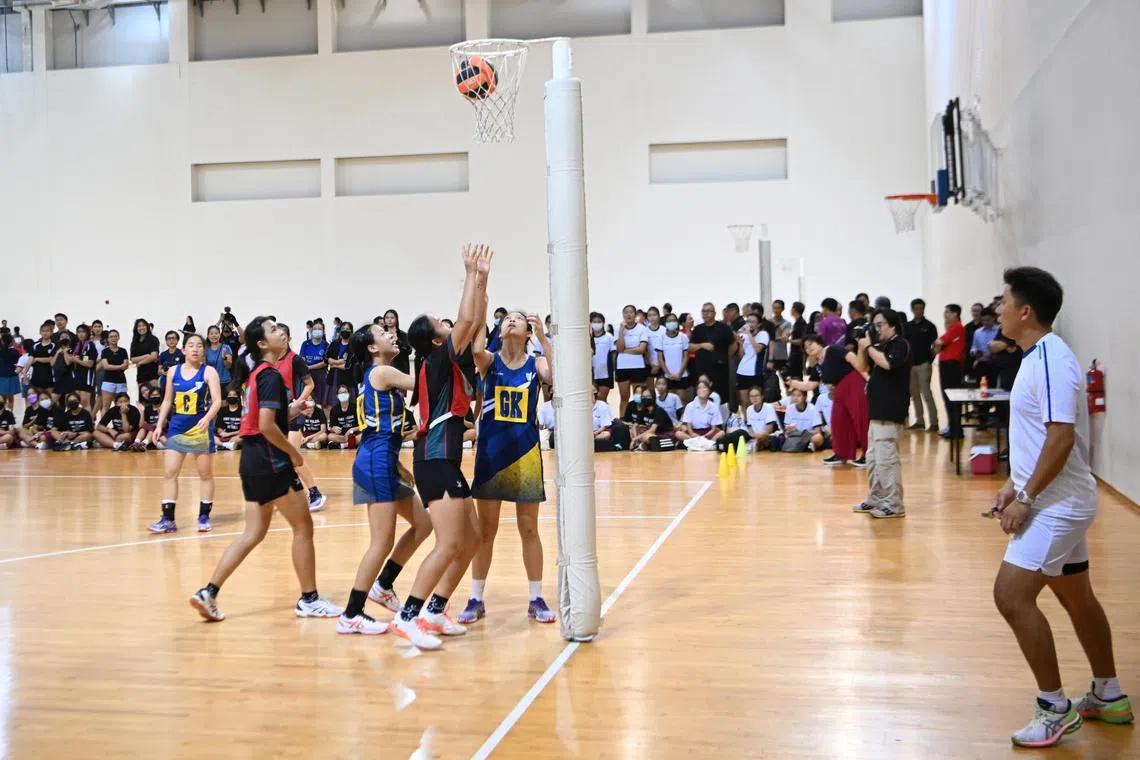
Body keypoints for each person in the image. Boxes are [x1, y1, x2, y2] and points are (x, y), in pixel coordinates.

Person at [988, 266, 1131, 747]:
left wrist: (1027, 498)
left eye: (1004, 301)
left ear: (1026, 311)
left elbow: (1062, 436)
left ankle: (1054, 708)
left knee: (1011, 595)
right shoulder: (1035, 358)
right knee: (1076, 597)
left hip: (1058, 506)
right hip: (1055, 497)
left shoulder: (1052, 360)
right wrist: (1013, 482)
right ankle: (1108, 695)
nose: (998, 308)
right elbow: (1036, 439)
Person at [189, 316, 343, 623]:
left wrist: (295, 409)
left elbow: (267, 417)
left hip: (252, 460)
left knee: (253, 533)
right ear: (262, 344)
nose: (281, 332)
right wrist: (294, 455)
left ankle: (209, 592)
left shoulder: (258, 373)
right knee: (303, 527)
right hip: (272, 458)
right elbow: (266, 426)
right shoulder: (270, 374)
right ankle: (310, 600)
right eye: (273, 329)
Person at [387, 244, 492, 650]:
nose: (449, 324)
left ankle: (434, 610)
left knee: (472, 539)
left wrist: (483, 280)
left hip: (445, 459)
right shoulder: (435, 362)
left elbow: (475, 320)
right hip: (433, 460)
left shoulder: (450, 360)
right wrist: (468, 273)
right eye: (439, 323)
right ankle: (407, 615)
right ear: (434, 341)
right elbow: (467, 319)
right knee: (448, 543)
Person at [457, 309, 556, 625]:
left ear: (527, 331)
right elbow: (474, 350)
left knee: (528, 528)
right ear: (498, 329)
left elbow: (557, 375)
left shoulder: (535, 363)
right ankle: (475, 598)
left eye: (518, 318)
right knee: (486, 531)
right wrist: (482, 296)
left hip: (526, 454)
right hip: (490, 454)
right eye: (506, 318)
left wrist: (543, 337)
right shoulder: (489, 361)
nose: (511, 320)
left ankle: (536, 598)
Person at [337, 324, 432, 635]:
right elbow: (422, 385)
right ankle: (352, 612)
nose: (392, 333)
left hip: (384, 458)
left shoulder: (380, 373)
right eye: (382, 332)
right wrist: (427, 347)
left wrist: (399, 465)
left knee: (424, 524)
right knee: (381, 541)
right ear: (372, 349)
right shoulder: (382, 372)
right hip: (374, 460)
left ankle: (385, 584)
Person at [148, 334, 223, 533]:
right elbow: (166, 401)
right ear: (184, 350)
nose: (195, 349)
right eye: (191, 345)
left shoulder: (209, 372)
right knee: (170, 473)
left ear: (203, 351)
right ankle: (167, 519)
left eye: (199, 346)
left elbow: (217, 401)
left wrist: (207, 419)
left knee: (205, 474)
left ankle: (204, 515)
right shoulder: (173, 371)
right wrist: (158, 425)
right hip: (177, 427)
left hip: (199, 428)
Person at [852, 309, 911, 518]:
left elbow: (887, 363)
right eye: (873, 325)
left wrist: (868, 346)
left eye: (880, 325)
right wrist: (862, 347)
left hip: (890, 412)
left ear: (892, 325)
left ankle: (894, 504)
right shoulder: (878, 346)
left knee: (887, 460)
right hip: (876, 413)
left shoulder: (900, 344)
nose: (876, 329)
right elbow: (861, 366)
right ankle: (876, 498)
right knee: (874, 459)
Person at [276, 324, 327, 511]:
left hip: (293, 414)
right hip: (276, 414)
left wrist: (298, 401)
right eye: (276, 334)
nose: (279, 338)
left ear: (288, 339)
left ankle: (315, 493)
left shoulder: (295, 360)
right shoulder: (269, 361)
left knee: (292, 456)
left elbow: (310, 384)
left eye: (283, 335)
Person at [798, 334, 867, 467]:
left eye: (811, 344)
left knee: (861, 419)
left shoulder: (833, 349)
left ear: (819, 343)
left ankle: (868, 455)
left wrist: (867, 379)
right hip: (838, 390)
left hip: (853, 383)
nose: (808, 348)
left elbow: (853, 360)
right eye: (806, 348)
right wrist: (792, 383)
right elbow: (810, 386)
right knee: (838, 421)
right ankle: (842, 454)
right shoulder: (818, 365)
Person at [904, 298, 939, 431]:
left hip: (924, 364)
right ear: (912, 309)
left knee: (926, 393)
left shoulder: (930, 326)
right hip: (911, 365)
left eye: (921, 308)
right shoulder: (907, 326)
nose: (919, 311)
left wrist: (930, 360)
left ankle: (934, 422)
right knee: (914, 394)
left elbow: (935, 345)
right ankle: (919, 421)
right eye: (916, 308)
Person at [933, 304, 967, 439]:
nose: (945, 314)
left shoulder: (957, 327)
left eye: (947, 312)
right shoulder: (952, 328)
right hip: (947, 364)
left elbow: (939, 342)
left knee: (951, 397)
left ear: (955, 314)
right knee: (947, 398)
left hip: (951, 365)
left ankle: (956, 430)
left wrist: (938, 345)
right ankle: (953, 427)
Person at [690, 303, 733, 403]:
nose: (705, 314)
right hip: (702, 370)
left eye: (708, 311)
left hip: (720, 370)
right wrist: (702, 345)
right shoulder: (697, 329)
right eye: (703, 311)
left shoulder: (723, 328)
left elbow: (732, 344)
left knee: (720, 400)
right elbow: (690, 347)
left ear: (714, 313)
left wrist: (726, 357)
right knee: (703, 399)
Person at [733, 314, 769, 411]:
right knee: (744, 402)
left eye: (752, 322)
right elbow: (741, 355)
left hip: (756, 373)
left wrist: (749, 333)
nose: (749, 324)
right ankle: (746, 423)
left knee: (756, 402)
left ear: (759, 324)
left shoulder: (763, 335)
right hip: (742, 372)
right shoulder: (744, 335)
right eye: (748, 321)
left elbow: (758, 349)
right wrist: (740, 344)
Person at [676, 380, 725, 448]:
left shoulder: (714, 406)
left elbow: (713, 428)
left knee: (721, 433)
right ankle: (695, 442)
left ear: (709, 391)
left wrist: (705, 436)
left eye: (704, 387)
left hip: (708, 432)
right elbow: (688, 426)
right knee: (678, 433)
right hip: (694, 432)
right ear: (696, 391)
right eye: (699, 388)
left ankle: (709, 443)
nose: (702, 390)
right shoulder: (690, 406)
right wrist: (692, 434)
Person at [656, 314, 691, 402]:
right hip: (668, 376)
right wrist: (668, 373)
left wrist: (679, 373)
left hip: (682, 375)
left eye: (674, 321)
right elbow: (660, 358)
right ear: (665, 324)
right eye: (669, 321)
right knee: (670, 402)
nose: (671, 323)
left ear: (677, 323)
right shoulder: (661, 338)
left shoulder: (683, 337)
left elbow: (686, 357)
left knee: (682, 401)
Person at [299, 318, 331, 411]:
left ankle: (323, 423)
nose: (317, 331)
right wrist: (306, 367)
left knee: (322, 403)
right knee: (307, 401)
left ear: (323, 331)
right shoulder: (305, 344)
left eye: (320, 329)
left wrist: (310, 367)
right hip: (307, 375)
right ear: (312, 330)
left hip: (321, 376)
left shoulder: (326, 345)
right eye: (315, 329)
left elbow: (325, 363)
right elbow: (302, 358)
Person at [782, 387, 827, 452]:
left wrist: (803, 433)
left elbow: (817, 431)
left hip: (809, 436)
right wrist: (789, 430)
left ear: (805, 397)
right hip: (795, 436)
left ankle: (808, 446)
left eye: (798, 395)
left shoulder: (813, 409)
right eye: (793, 395)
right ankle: (803, 447)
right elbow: (786, 430)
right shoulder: (789, 408)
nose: (795, 398)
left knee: (818, 438)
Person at [97, 330, 130, 412]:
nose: (113, 338)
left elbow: (126, 365)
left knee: (121, 406)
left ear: (118, 338)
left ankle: (119, 424)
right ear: (108, 339)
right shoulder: (105, 351)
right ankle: (103, 424)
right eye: (111, 336)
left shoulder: (123, 351)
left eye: (115, 336)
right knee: (106, 406)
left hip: (121, 382)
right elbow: (106, 366)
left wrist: (114, 366)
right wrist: (120, 366)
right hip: (108, 382)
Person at [69, 324, 98, 410]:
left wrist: (77, 360)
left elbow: (89, 364)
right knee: (78, 401)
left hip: (87, 377)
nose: (81, 334)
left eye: (83, 332)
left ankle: (89, 423)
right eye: (79, 332)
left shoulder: (90, 345)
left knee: (85, 402)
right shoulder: (77, 345)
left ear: (87, 333)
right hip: (77, 375)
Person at [590, 311, 616, 403]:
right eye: (594, 321)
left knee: (602, 400)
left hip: (605, 374)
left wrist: (613, 369)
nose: (596, 324)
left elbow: (613, 354)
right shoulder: (587, 338)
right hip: (590, 374)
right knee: (591, 400)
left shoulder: (609, 337)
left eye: (599, 321)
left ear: (603, 323)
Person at [129, 318, 161, 391]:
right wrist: (146, 356)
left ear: (147, 327)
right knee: (142, 398)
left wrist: (140, 362)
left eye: (143, 325)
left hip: (153, 373)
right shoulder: (134, 342)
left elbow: (154, 356)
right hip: (141, 374)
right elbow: (132, 359)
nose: (141, 328)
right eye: (139, 326)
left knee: (154, 395)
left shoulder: (153, 339)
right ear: (136, 328)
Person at [28, 321, 56, 399]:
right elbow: (30, 358)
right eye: (43, 331)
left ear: (51, 332)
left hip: (49, 376)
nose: (45, 333)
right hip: (37, 376)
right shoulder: (35, 345)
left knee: (49, 399)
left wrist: (37, 359)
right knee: (38, 398)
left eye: (47, 331)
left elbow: (51, 359)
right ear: (40, 332)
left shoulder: (54, 345)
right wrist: (25, 371)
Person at [0, 333, 19, 410]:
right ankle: (10, 413)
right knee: (11, 397)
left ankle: (3, 414)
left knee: (3, 397)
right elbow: (17, 362)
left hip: (2, 376)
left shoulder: (1, 351)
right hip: (12, 375)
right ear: (11, 341)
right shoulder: (15, 351)